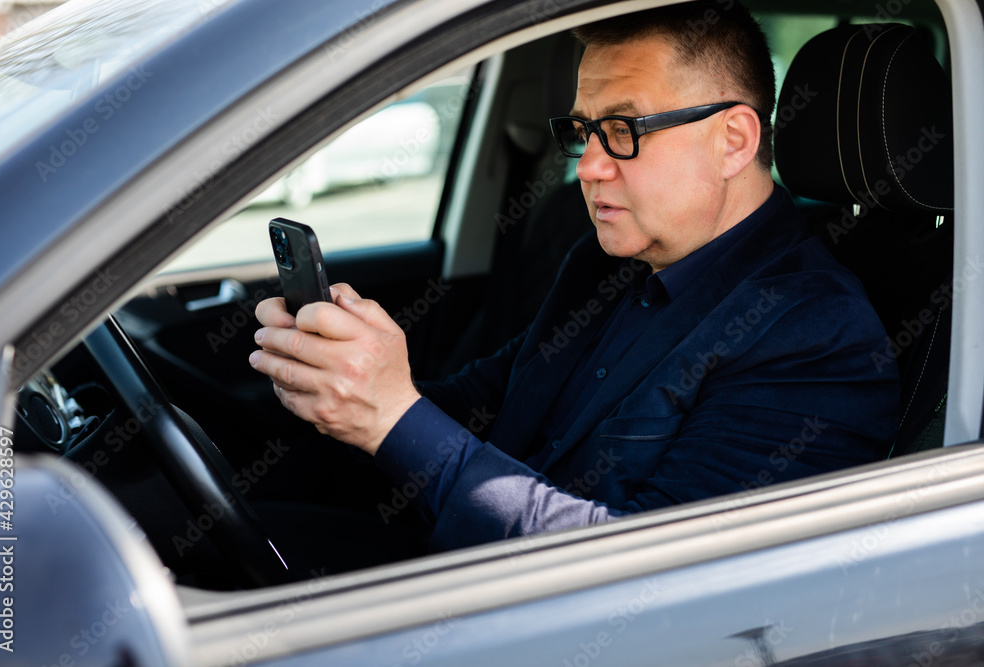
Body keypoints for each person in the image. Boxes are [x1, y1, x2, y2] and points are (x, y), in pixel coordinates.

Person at [248, 1, 899, 552]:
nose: (588, 167)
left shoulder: (816, 337)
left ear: (733, 140)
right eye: (584, 130)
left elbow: (651, 573)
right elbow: (481, 403)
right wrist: (337, 375)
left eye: (621, 129)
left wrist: (391, 414)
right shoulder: (606, 262)